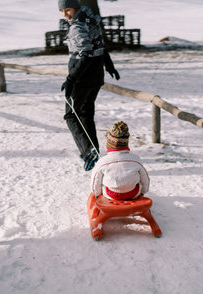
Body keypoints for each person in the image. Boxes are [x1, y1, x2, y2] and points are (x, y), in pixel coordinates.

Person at [58, 0, 120, 171]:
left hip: (82, 78)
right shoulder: (91, 20)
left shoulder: (77, 26)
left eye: (68, 9)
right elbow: (100, 45)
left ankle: (88, 152)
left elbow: (84, 55)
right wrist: (109, 66)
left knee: (71, 115)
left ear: (76, 8)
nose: (65, 14)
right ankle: (94, 152)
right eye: (62, 11)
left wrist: (71, 79)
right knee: (85, 113)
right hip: (96, 76)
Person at [90, 121, 150, 200]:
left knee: (103, 183)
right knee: (137, 181)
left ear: (109, 144)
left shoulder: (103, 161)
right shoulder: (135, 159)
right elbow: (145, 178)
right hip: (133, 194)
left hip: (111, 195)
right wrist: (142, 192)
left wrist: (97, 194)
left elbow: (95, 180)